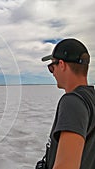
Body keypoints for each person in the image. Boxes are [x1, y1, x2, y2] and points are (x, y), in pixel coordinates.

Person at [38, 38, 95, 169]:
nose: (53, 73)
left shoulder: (72, 102)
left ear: (62, 65)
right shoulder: (91, 99)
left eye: (52, 67)